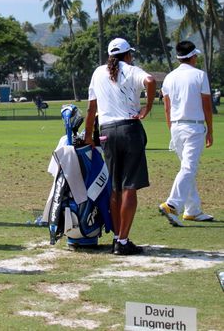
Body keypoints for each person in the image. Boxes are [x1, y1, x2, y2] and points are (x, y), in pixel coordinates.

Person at [84, 38, 156, 256]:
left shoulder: (97, 73)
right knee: (129, 186)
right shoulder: (132, 70)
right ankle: (123, 241)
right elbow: (151, 81)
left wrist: (88, 134)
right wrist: (147, 108)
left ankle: (118, 237)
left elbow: (91, 108)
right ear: (127, 55)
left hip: (106, 132)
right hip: (130, 129)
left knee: (114, 188)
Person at [158, 41, 214, 226]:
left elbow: (167, 108)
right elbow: (207, 106)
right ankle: (172, 204)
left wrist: (171, 129)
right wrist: (210, 130)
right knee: (189, 168)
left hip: (176, 128)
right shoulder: (200, 75)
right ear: (192, 56)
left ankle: (192, 210)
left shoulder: (169, 77)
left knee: (186, 169)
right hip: (194, 128)